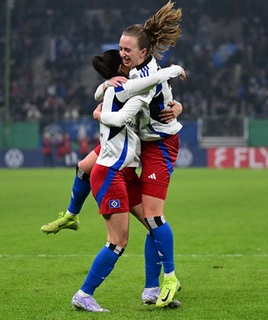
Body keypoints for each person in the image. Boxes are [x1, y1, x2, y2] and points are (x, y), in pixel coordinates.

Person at [43, 1, 185, 308]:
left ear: (143, 52)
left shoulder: (145, 76)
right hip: (128, 148)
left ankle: (156, 284)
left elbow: (143, 94)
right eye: (119, 48)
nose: (122, 54)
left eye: (127, 49)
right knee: (85, 167)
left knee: (152, 220)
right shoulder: (133, 76)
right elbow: (112, 95)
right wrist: (107, 88)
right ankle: (71, 215)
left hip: (156, 144)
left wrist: (103, 109)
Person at [71, 50, 186, 312]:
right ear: (120, 73)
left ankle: (151, 289)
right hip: (111, 173)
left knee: (152, 226)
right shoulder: (126, 90)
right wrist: (172, 70)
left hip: (123, 172)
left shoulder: (115, 89)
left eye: (128, 52)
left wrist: (177, 106)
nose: (127, 60)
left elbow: (144, 91)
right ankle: (84, 293)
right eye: (122, 58)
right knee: (118, 242)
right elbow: (126, 109)